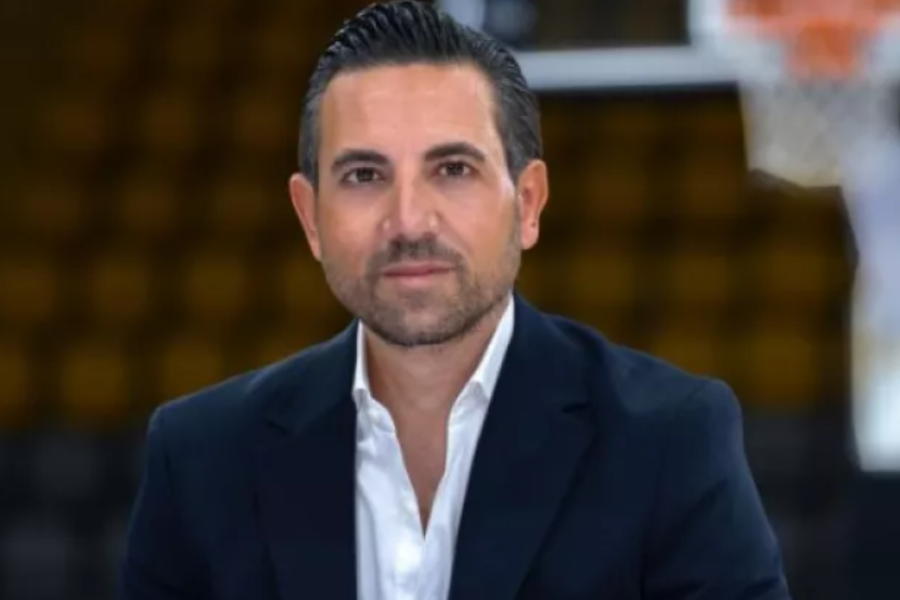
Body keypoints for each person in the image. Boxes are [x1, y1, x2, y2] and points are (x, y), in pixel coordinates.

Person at [117, 2, 791, 599]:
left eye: (453, 169)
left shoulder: (668, 439)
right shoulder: (200, 459)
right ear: (309, 216)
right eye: (364, 175)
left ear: (528, 203)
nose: (409, 220)